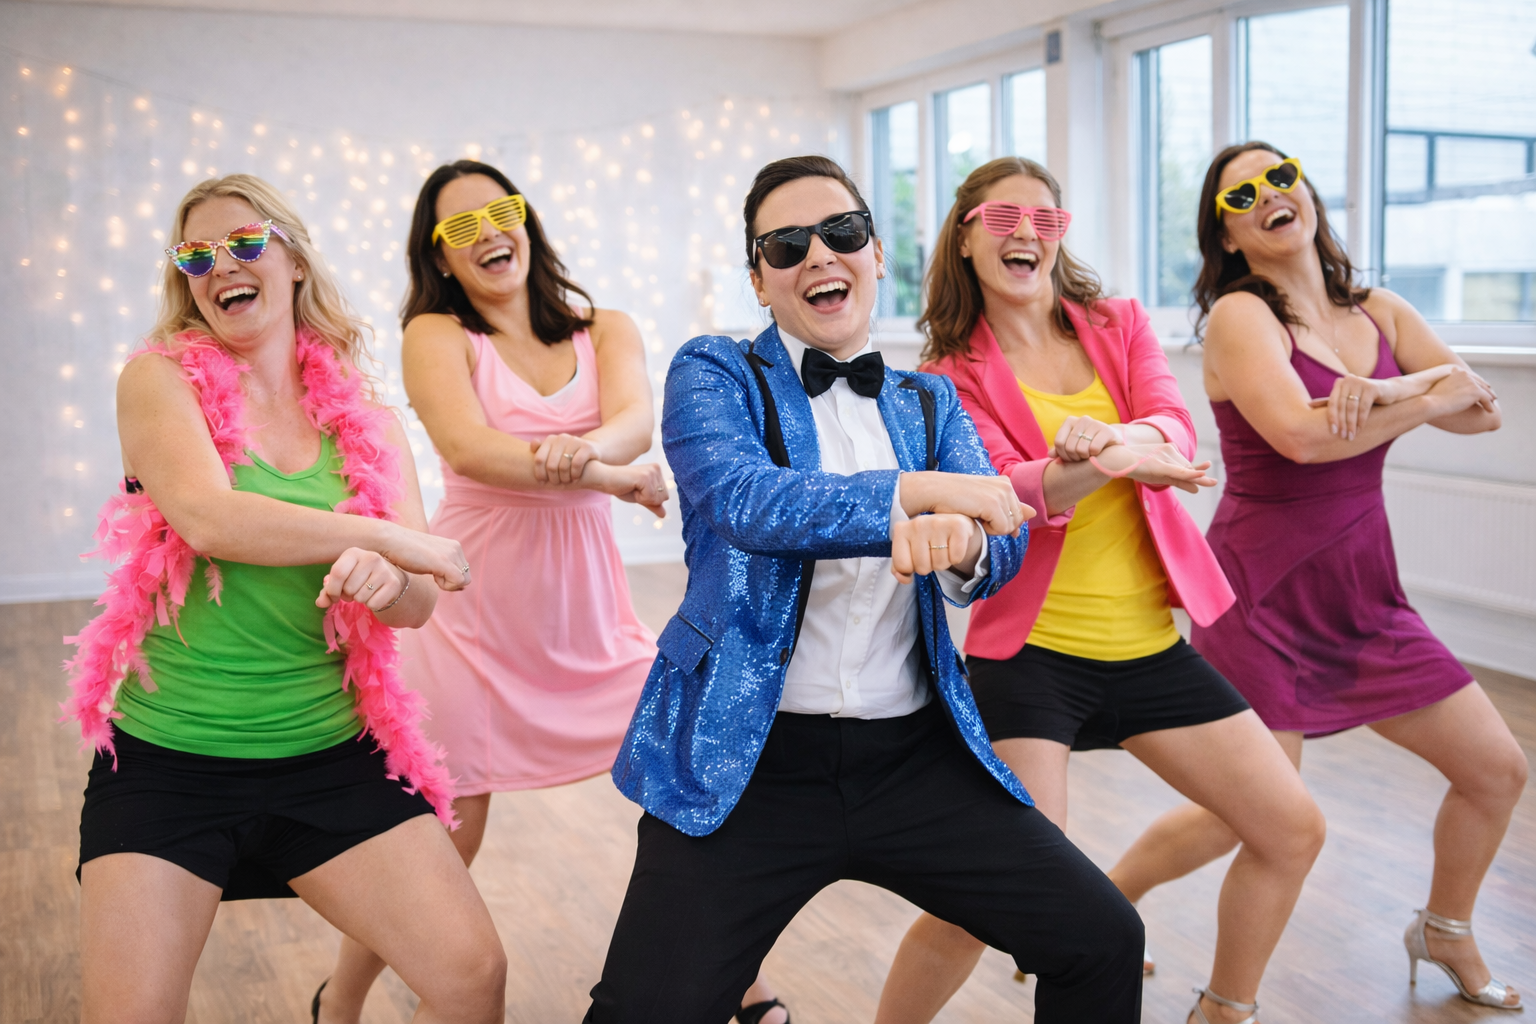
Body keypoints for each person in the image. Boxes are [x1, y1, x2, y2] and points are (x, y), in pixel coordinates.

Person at [582, 154, 1145, 1024]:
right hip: (747, 761)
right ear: (760, 279)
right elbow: (748, 502)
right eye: (786, 244)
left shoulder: (930, 402)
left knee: (1102, 939)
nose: (820, 255)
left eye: (842, 233)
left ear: (877, 255)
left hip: (915, 758)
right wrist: (915, 495)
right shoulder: (715, 373)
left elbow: (998, 537)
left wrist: (960, 543)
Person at [872, 156, 1327, 1024]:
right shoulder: (946, 375)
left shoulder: (1117, 322)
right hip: (1032, 658)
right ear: (966, 237)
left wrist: (1108, 441)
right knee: (994, 895)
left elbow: (1173, 422)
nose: (1027, 237)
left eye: (1046, 221)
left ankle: (1224, 1011)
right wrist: (1106, 460)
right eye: (1004, 220)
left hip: (1150, 649)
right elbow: (1004, 493)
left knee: (1291, 828)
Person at [62, 174, 507, 1024]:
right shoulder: (158, 382)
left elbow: (417, 604)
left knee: (470, 973)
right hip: (170, 765)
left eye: (244, 242)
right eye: (196, 254)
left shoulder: (370, 424)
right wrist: (377, 540)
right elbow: (207, 515)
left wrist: (391, 580)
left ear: (293, 258)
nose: (220, 264)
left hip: (331, 760)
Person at [1136, 141, 1523, 1011]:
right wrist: (1415, 395)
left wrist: (1392, 390)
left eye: (1283, 176)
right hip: (1262, 594)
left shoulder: (1379, 309)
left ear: (1305, 191)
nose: (1273, 194)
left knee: (1496, 769)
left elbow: (1485, 414)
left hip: (1363, 590)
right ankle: (1142, 945)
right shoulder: (1242, 316)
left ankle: (1445, 929)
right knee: (1246, 817)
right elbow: (1304, 440)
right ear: (1228, 233)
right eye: (1245, 193)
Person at [315, 160, 671, 1023]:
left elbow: (634, 422)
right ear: (440, 257)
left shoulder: (606, 327)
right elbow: (469, 450)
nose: (488, 235)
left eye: (500, 213)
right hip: (471, 608)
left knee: (679, 781)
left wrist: (591, 457)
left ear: (527, 221)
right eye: (461, 228)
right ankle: (343, 996)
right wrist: (609, 474)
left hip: (587, 614)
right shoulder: (437, 334)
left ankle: (742, 982)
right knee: (449, 833)